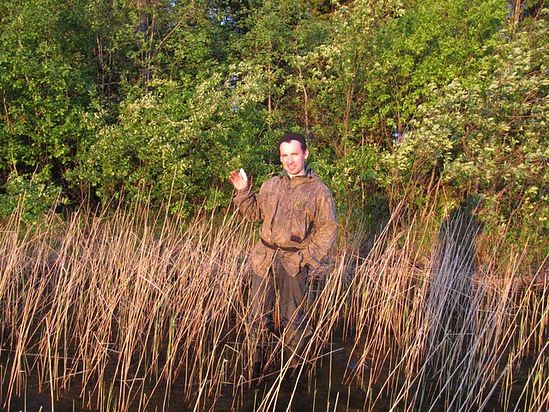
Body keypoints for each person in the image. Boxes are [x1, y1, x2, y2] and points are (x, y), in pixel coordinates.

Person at [229, 132, 337, 379]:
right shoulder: (271, 184)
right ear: (280, 158)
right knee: (257, 316)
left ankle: (293, 374)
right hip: (264, 259)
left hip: (294, 263)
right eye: (285, 155)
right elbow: (255, 213)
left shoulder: (319, 190)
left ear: (305, 154)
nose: (290, 160)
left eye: (294, 154)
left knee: (294, 320)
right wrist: (243, 192)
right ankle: (256, 367)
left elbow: (328, 228)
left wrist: (307, 258)